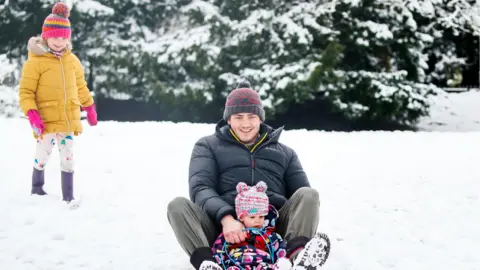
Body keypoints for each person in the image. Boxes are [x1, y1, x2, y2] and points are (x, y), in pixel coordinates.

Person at [167, 81, 330, 270]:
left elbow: (302, 199)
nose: (245, 123)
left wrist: (267, 216)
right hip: (222, 230)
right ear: (228, 119)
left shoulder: (285, 153)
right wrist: (227, 218)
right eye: (238, 117)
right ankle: (208, 263)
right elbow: (200, 188)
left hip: (272, 229)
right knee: (177, 206)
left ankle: (296, 259)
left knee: (309, 195)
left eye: (251, 116)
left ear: (260, 118)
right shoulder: (207, 146)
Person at [18, 2, 98, 203]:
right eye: (54, 36)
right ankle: (37, 188)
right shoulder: (35, 62)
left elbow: (80, 86)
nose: (59, 41)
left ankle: (68, 196)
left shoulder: (72, 61)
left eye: (63, 37)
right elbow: (26, 91)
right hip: (44, 122)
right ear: (45, 36)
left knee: (68, 158)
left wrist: (89, 106)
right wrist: (32, 113)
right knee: (42, 156)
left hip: (68, 121)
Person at [211, 181, 292, 270]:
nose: (257, 221)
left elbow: (281, 252)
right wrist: (217, 263)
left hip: (262, 265)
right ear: (242, 217)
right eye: (252, 217)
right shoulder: (233, 233)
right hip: (237, 264)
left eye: (261, 216)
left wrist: (283, 262)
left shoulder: (270, 236)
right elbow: (218, 249)